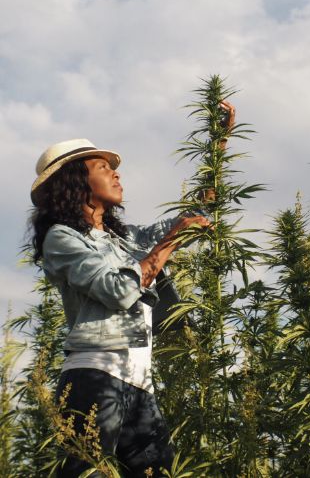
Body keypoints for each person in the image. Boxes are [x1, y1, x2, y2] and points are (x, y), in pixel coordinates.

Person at [28, 101, 234, 477]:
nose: (117, 175)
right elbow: (118, 290)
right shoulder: (61, 238)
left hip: (139, 382)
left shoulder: (126, 240)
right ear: (77, 182)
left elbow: (196, 213)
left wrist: (219, 143)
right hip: (94, 377)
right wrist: (169, 242)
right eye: (104, 168)